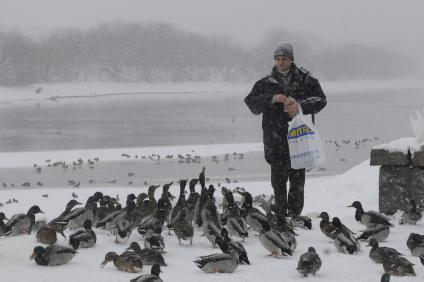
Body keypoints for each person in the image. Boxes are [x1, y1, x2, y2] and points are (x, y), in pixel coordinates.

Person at [244, 42, 327, 221]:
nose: (281, 62)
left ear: (292, 60)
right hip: (275, 141)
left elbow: (321, 100)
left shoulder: (306, 80)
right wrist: (271, 99)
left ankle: (295, 216)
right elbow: (251, 103)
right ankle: (281, 216)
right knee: (278, 183)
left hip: (300, 139)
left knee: (298, 182)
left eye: (285, 59)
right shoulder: (265, 83)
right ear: (274, 60)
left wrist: (300, 106)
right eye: (278, 59)